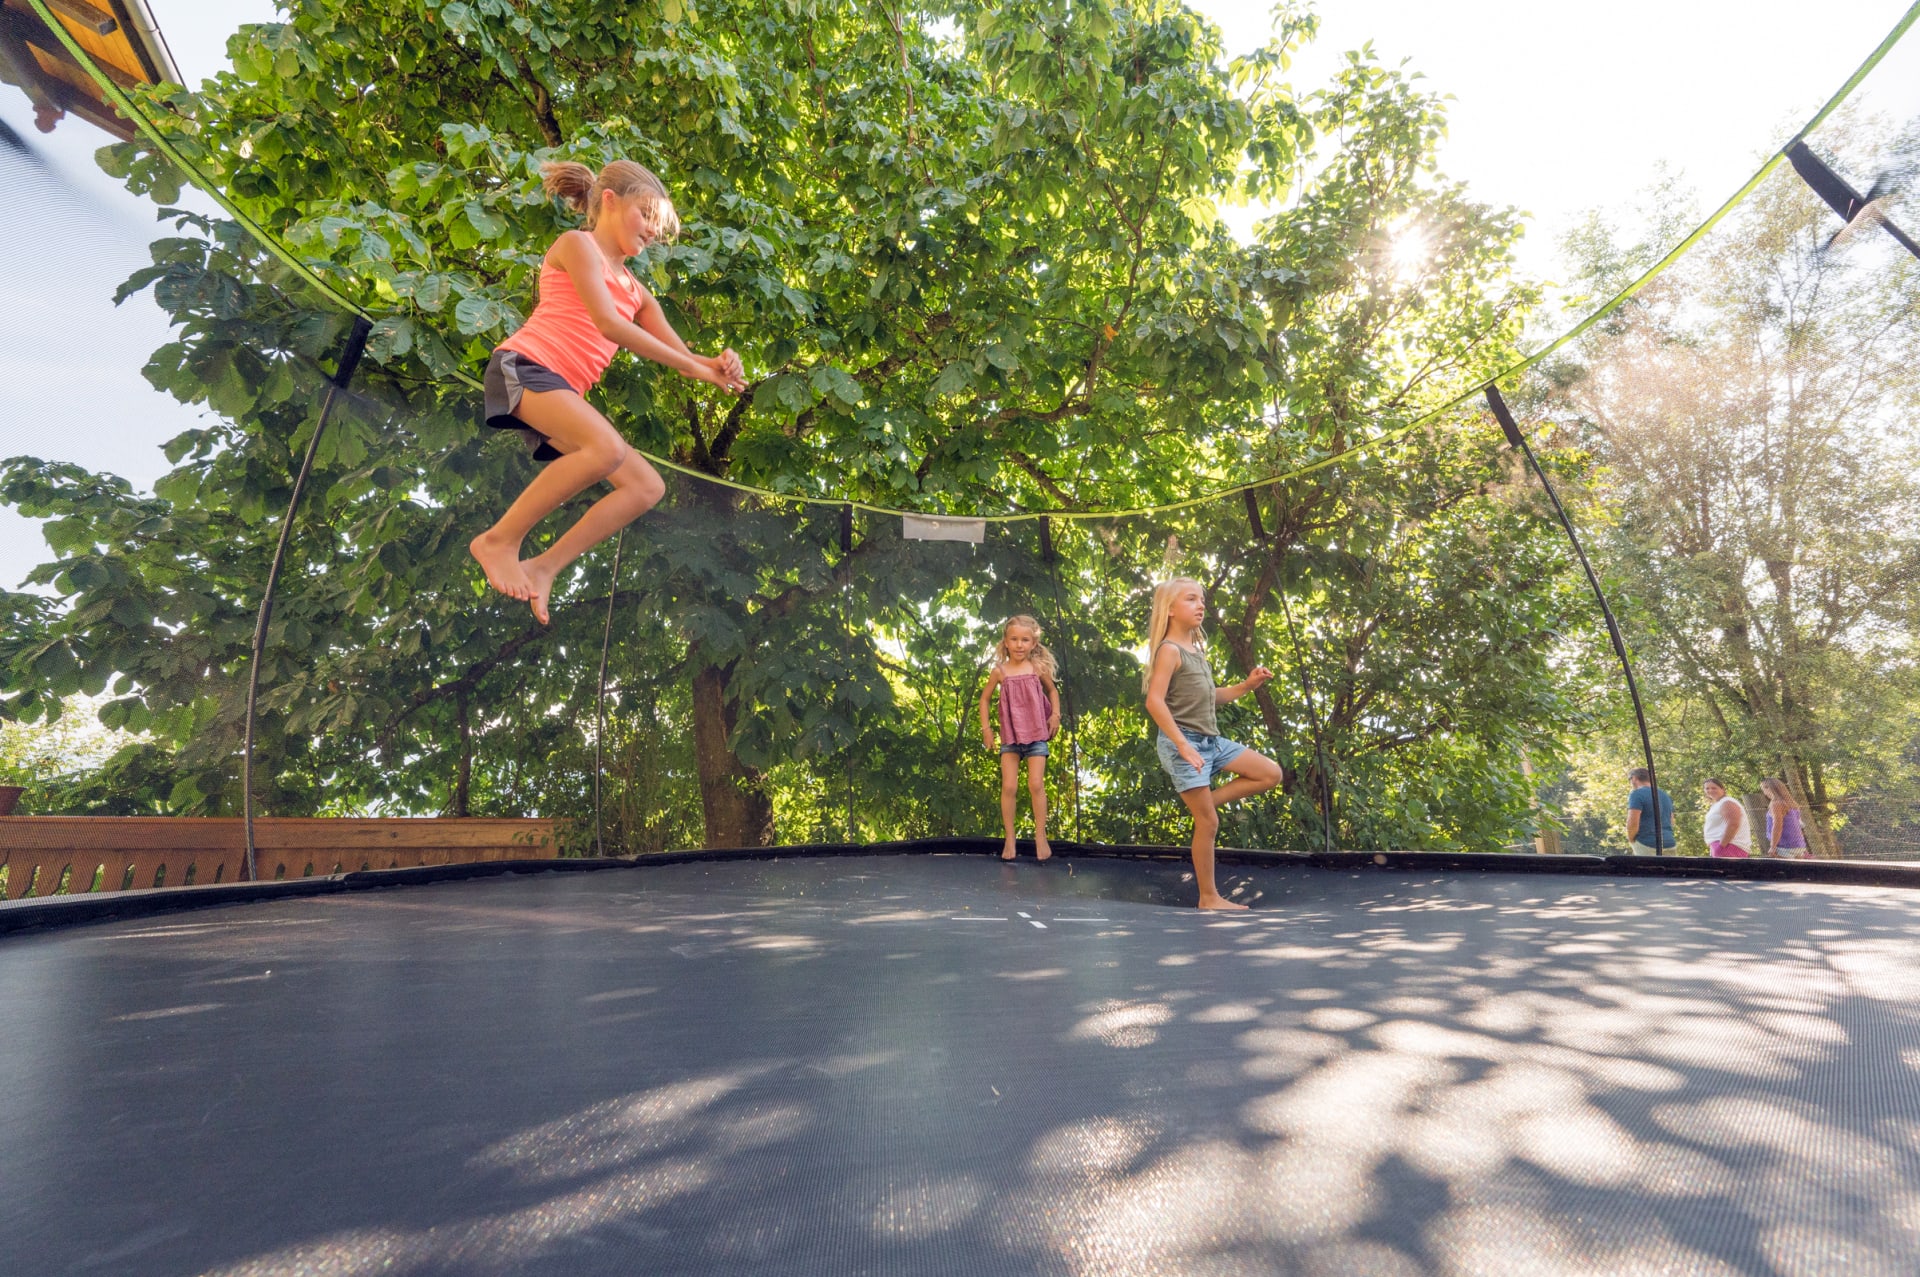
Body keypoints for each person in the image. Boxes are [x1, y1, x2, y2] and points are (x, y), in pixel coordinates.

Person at [469, 159, 746, 624]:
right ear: (611, 202)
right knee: (606, 449)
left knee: (646, 486)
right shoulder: (577, 246)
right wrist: (696, 369)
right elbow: (608, 324)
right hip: (526, 367)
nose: (652, 231)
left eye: (658, 226)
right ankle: (498, 541)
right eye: (646, 216)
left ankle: (544, 567)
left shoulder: (638, 292)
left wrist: (716, 367)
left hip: (560, 390)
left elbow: (682, 356)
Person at [1142, 579, 1284, 910]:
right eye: (1191, 599)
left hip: (1210, 741)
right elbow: (1154, 701)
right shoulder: (1169, 650)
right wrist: (1182, 745)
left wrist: (1246, 686)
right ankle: (1208, 898)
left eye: (1202, 599)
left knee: (1270, 774)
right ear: (1170, 609)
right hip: (1183, 743)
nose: (1201, 605)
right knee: (1209, 823)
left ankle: (1204, 804)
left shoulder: (1196, 651)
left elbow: (1209, 696)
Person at [977, 615, 1064, 861]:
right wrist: (987, 729)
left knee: (1036, 784)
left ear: (1033, 643)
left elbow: (1052, 690)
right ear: (1006, 642)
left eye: (1025, 640)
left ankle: (1040, 836)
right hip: (1011, 736)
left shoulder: (1037, 668)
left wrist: (1055, 715)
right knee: (1009, 786)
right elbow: (984, 699)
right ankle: (1010, 839)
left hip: (1036, 734)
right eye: (1014, 639)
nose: (1019, 645)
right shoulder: (1000, 671)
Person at [1624, 767, 1674, 855]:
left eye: (1629, 779)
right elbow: (1671, 821)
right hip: (1670, 843)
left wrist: (1631, 840)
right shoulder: (1664, 795)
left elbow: (1633, 823)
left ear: (1634, 778)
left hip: (1647, 844)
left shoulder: (1637, 794)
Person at [1702, 777, 1753, 858]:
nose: (1710, 790)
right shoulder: (1718, 803)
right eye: (1707, 788)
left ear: (1722, 789)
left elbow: (1733, 824)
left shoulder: (1727, 802)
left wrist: (1721, 846)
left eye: (1714, 788)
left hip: (1729, 847)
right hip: (1723, 846)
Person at [1760, 777, 1810, 858]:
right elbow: (1798, 826)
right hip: (1799, 846)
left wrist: (1773, 846)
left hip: (1784, 846)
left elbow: (1777, 826)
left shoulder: (1776, 804)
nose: (1764, 793)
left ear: (1769, 788)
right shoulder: (1792, 804)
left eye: (1763, 789)